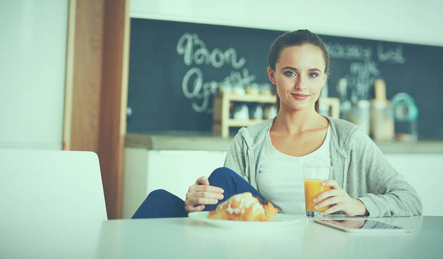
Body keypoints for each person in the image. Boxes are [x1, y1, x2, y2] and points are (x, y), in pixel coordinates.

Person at [132, 29, 422, 219]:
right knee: (161, 199)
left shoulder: (349, 140)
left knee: (217, 179)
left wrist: (358, 204)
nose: (301, 85)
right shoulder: (249, 140)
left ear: (323, 79)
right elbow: (228, 210)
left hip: (322, 244)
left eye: (312, 74)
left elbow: (410, 200)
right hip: (263, 240)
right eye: (289, 72)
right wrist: (199, 199)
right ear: (272, 76)